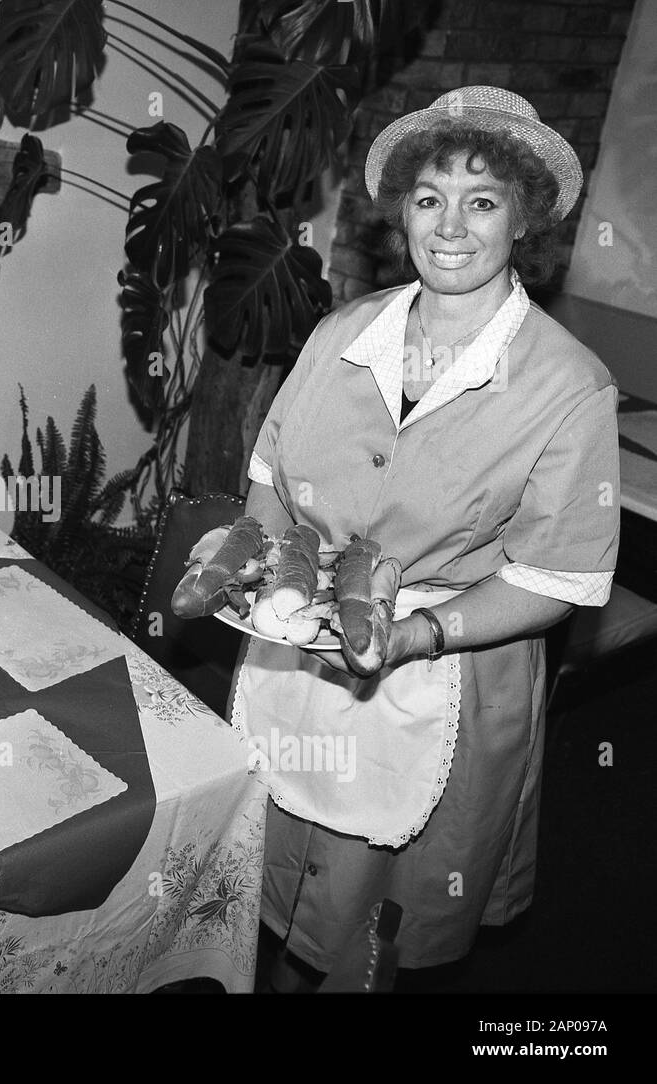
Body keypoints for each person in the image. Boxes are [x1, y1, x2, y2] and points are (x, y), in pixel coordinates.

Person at [232, 87, 620, 982]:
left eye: (482, 202)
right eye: (429, 198)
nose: (451, 226)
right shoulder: (338, 336)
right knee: (282, 886)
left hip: (448, 669)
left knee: (383, 929)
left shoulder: (569, 387)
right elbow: (269, 480)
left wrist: (417, 632)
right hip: (300, 651)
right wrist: (274, 591)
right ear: (402, 208)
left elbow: (554, 579)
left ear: (523, 221)